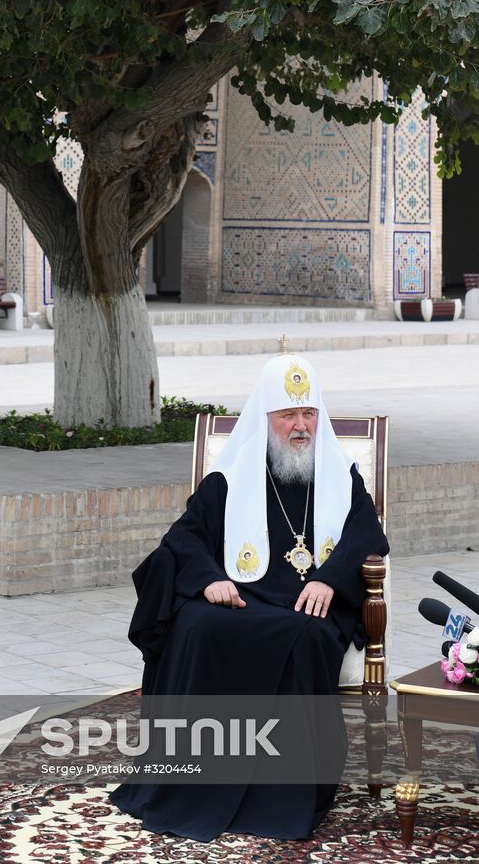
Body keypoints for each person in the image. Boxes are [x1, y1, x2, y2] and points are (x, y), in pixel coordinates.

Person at [109, 351, 389, 842]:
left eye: (308, 414)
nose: (301, 426)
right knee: (197, 626)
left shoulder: (342, 476)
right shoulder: (233, 475)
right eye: (288, 415)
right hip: (242, 599)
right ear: (266, 418)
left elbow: (366, 535)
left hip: (307, 605)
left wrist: (329, 578)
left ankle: (280, 796)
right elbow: (184, 537)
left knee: (305, 636)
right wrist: (207, 578)